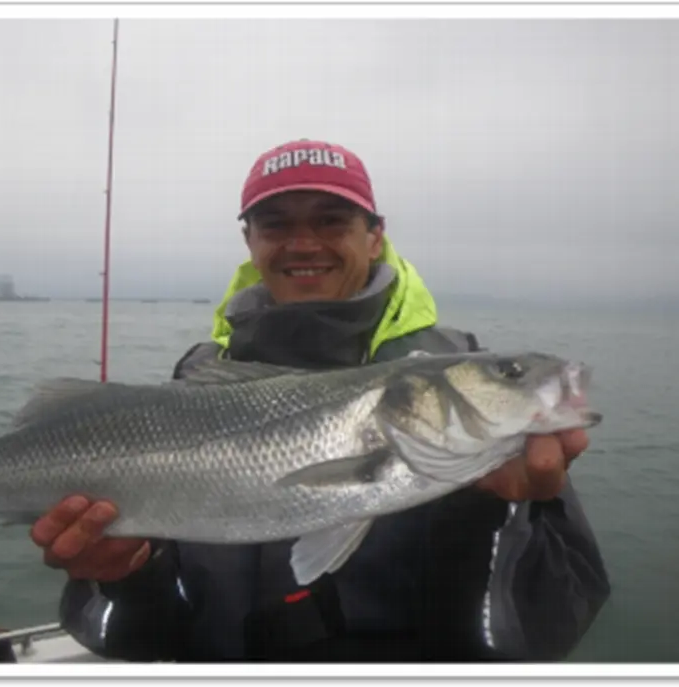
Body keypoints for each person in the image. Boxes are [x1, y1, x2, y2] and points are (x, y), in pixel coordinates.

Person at [30, 139, 611, 662]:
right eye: (276, 224)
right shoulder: (196, 386)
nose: (303, 244)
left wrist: (492, 516)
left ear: (374, 235)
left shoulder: (475, 408)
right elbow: (133, 639)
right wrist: (124, 576)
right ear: (250, 242)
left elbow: (535, 641)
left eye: (332, 221)